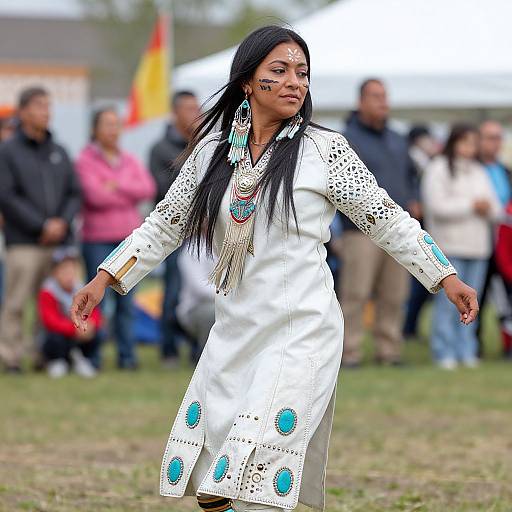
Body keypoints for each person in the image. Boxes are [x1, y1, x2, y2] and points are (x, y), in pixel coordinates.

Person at [71, 26, 478, 512]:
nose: (294, 82)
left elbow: (385, 217)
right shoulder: (212, 154)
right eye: (279, 71)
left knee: (255, 473)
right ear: (247, 81)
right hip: (236, 330)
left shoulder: (324, 151)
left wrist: (444, 275)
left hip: (301, 329)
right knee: (215, 486)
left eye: (302, 73)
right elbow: (165, 224)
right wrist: (104, 277)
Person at [338, 78, 420, 367]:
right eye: (375, 96)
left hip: (397, 230)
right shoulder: (346, 139)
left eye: (385, 96)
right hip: (360, 231)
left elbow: (411, 177)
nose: (382, 102)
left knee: (394, 293)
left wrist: (413, 199)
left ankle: (389, 350)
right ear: (360, 101)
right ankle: (350, 352)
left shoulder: (397, 139)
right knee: (356, 293)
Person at [0, 86, 81, 373]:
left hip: (58, 243)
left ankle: (41, 355)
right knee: (16, 302)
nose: (46, 111)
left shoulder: (58, 151)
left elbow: (74, 192)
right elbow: (6, 195)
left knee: (50, 302)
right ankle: (10, 357)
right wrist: (41, 224)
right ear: (22, 112)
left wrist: (61, 222)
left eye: (49, 105)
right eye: (39, 105)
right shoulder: (8, 151)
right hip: (23, 241)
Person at [76, 107, 155, 370]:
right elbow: (94, 195)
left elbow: (147, 188)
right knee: (96, 299)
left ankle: (127, 356)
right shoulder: (84, 161)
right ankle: (93, 355)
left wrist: (115, 185)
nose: (113, 129)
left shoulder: (129, 159)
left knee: (127, 302)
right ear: (94, 129)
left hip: (128, 241)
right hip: (97, 239)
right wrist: (125, 190)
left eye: (116, 124)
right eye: (107, 124)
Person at [422, 124, 501, 369]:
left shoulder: (480, 171)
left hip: (478, 248)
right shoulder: (438, 169)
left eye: (473, 142)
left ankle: (466, 350)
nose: (470, 147)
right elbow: (436, 206)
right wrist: (471, 206)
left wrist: (486, 208)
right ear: (454, 142)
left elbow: (496, 208)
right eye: (465, 141)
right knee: (448, 304)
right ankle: (443, 351)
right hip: (449, 249)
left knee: (473, 304)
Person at [149, 91, 201, 368]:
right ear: (175, 112)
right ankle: (168, 349)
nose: (196, 113)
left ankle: (197, 348)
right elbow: (164, 191)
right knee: (172, 289)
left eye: (197, 108)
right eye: (189, 108)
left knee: (202, 291)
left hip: (204, 233)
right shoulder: (161, 149)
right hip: (175, 233)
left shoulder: (205, 145)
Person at [476, 120, 512, 357]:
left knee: (505, 298)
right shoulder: (471, 169)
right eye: (489, 137)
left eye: (498, 137)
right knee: (475, 294)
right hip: (479, 242)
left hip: (504, 245)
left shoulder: (505, 170)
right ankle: (471, 344)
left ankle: (507, 342)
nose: (495, 142)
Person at [38, 247, 100, 378]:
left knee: (98, 334)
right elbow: (50, 321)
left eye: (72, 270)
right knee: (54, 338)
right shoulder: (48, 291)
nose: (69, 275)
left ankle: (85, 360)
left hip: (80, 333)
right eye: (64, 271)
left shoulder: (82, 288)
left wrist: (91, 324)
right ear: (55, 273)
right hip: (61, 335)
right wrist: (75, 329)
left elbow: (94, 312)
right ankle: (58, 361)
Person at [402, 125, 440, 339]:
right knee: (418, 282)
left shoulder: (426, 160)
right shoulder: (415, 159)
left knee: (420, 283)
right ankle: (408, 327)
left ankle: (410, 327)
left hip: (422, 225)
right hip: (414, 225)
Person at [176, 245, 216, 363]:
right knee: (213, 312)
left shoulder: (231, 243)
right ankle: (206, 359)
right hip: (192, 310)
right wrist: (230, 297)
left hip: (221, 302)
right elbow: (201, 289)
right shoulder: (192, 249)